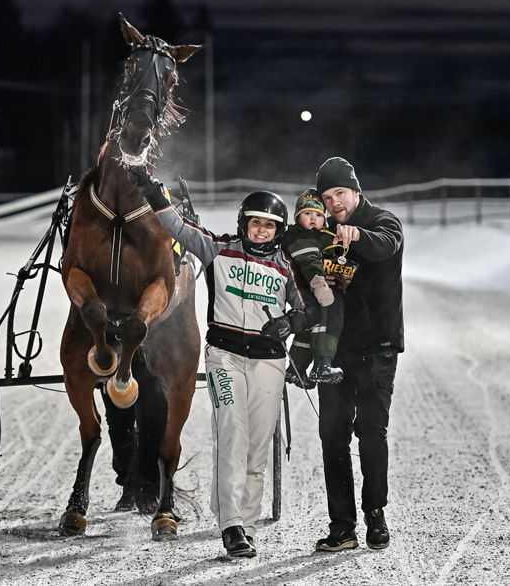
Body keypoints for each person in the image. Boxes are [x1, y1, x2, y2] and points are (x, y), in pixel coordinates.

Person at [127, 167, 319, 558]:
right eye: (255, 223)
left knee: (257, 448)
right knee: (232, 433)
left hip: (268, 363)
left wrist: (289, 322)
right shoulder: (219, 249)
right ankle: (230, 525)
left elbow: (311, 310)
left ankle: (246, 525)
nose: (261, 230)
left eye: (269, 225)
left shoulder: (285, 266)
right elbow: (178, 228)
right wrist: (151, 190)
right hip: (225, 358)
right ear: (243, 224)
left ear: (279, 230)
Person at [312, 156, 403, 553]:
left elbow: (386, 246)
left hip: (378, 347)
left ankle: (375, 514)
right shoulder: (323, 232)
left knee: (370, 431)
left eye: (340, 193)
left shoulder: (384, 221)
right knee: (332, 435)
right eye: (327, 198)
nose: (334, 203)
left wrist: (356, 236)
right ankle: (342, 526)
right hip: (335, 349)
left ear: (356, 191)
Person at [281, 189, 347, 386]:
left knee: (309, 328)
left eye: (318, 215)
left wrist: (336, 245)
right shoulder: (300, 238)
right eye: (307, 213)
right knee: (329, 318)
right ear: (297, 217)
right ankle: (322, 365)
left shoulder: (316, 236)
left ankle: (296, 369)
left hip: (307, 293)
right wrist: (320, 284)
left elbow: (325, 252)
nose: (313, 218)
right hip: (314, 288)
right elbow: (310, 262)